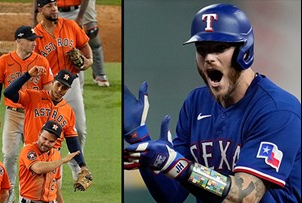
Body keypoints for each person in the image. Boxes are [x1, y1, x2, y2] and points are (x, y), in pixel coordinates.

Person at [123, 3, 301, 203]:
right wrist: (140, 141)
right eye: (202, 50)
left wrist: (179, 166)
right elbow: (172, 195)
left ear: (245, 51)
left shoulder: (277, 110)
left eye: (220, 48)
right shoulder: (196, 103)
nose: (209, 58)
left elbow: (245, 196)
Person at [0, 25, 53, 203]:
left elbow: (48, 90)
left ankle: (26, 197)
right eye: (30, 40)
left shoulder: (42, 61)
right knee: (9, 155)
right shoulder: (4, 61)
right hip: (12, 114)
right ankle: (7, 195)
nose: (34, 43)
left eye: (35, 40)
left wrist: (47, 114)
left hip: (34, 115)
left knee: (34, 155)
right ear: (19, 41)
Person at [32, 0, 93, 181]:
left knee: (80, 129)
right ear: (40, 9)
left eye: (56, 5)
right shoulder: (36, 36)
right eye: (50, 6)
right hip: (48, 87)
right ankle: (46, 169)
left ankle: (75, 163)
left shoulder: (71, 26)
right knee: (49, 132)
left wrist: (86, 62)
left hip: (70, 84)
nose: (55, 9)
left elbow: (88, 55)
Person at [3, 66, 93, 187]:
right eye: (58, 85)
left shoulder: (68, 111)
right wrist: (28, 75)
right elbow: (8, 93)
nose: (59, 90)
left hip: (54, 156)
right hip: (32, 153)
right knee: (29, 194)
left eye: (64, 88)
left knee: (53, 195)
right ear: (52, 82)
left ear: (68, 90)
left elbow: (72, 141)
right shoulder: (32, 97)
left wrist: (82, 165)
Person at [31, 0, 110, 87]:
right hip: (59, 12)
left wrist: (80, 17)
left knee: (90, 37)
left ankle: (99, 74)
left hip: (78, 10)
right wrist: (34, 17)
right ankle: (54, 77)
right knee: (60, 46)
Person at [19, 120, 80, 203]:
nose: (46, 143)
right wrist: (63, 160)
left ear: (56, 142)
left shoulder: (56, 155)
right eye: (44, 138)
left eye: (51, 141)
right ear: (39, 134)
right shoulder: (28, 150)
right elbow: (38, 168)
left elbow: (55, 184)